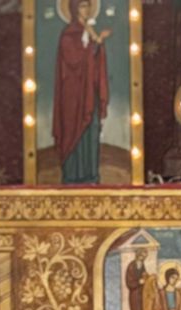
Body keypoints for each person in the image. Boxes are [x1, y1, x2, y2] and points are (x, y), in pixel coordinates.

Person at [52, 0, 110, 183]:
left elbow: (94, 59)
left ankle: (91, 174)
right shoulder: (68, 35)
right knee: (72, 131)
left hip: (89, 93)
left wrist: (97, 45)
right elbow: (72, 61)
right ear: (75, 9)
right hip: (72, 95)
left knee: (91, 130)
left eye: (88, 6)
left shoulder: (88, 31)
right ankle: (72, 175)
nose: (87, 10)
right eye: (83, 6)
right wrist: (94, 44)